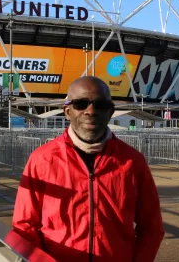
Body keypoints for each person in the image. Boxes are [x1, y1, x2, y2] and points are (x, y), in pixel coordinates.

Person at [12, 76, 165, 262]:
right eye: (81, 103)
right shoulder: (42, 160)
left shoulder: (133, 162)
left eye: (99, 104)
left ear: (110, 111)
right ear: (67, 111)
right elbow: (25, 225)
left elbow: (151, 227)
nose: (90, 111)